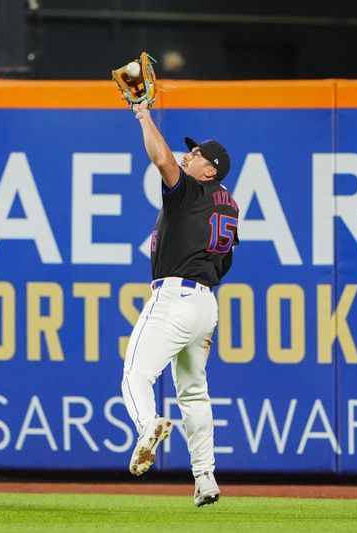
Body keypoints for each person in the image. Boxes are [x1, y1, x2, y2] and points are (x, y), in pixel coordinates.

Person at [121, 98, 239, 507]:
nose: (188, 156)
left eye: (197, 155)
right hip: (206, 306)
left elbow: (161, 159)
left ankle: (146, 425)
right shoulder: (227, 203)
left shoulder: (191, 190)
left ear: (210, 171)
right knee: (193, 394)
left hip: (174, 297)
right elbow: (222, 263)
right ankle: (205, 478)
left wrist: (141, 113)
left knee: (135, 374)